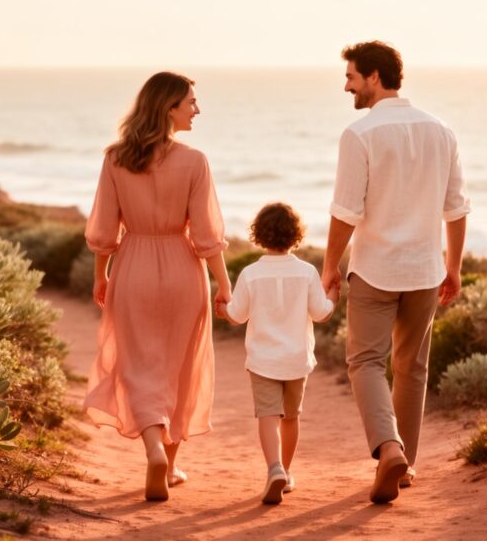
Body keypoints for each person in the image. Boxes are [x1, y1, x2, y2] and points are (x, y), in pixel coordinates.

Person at [321, 41, 471, 504]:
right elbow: (457, 208)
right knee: (412, 368)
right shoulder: (441, 130)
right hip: (426, 269)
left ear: (375, 77)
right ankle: (406, 468)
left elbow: (346, 211)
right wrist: (454, 266)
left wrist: (329, 266)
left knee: (365, 361)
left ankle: (389, 449)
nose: (346, 86)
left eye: (351, 77)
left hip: (376, 269)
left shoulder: (360, 134)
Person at [84, 71, 232, 502]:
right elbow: (206, 237)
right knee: (179, 366)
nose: (196, 110)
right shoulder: (195, 161)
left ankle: (153, 449)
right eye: (190, 102)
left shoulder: (115, 158)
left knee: (138, 365)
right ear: (168, 107)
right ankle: (169, 464)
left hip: (133, 268)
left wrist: (101, 274)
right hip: (184, 270)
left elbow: (104, 230)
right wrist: (223, 284)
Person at [217, 203, 339, 505]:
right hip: (296, 360)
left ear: (258, 235)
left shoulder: (250, 274)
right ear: (295, 236)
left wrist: (222, 309)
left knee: (267, 416)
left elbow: (238, 315)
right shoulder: (307, 272)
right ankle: (286, 470)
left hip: (263, 360)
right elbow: (321, 313)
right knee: (291, 417)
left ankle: (274, 469)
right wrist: (333, 296)